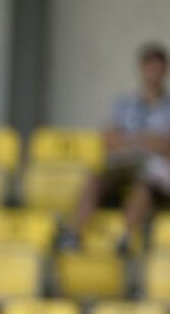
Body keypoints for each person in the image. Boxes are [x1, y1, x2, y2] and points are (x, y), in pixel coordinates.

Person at [66, 42, 170, 251]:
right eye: (149, 68)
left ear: (165, 71)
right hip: (124, 164)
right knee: (94, 180)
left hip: (155, 171)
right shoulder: (124, 103)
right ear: (141, 69)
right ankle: (72, 235)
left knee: (142, 187)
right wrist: (146, 140)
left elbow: (166, 145)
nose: (152, 74)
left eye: (157, 69)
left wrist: (129, 138)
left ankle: (125, 239)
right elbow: (108, 139)